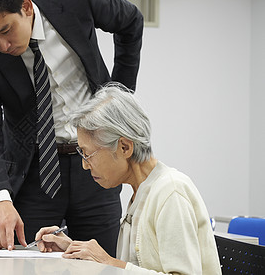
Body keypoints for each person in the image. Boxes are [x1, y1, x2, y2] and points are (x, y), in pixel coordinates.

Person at [0, 0, 143, 253]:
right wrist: (0, 201)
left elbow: (130, 20)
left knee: (103, 262)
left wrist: (119, 98)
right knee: (23, 263)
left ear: (26, 7)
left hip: (95, 164)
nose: (2, 46)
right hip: (34, 175)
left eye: (6, 31)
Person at [34, 83, 222, 274]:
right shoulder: (142, 194)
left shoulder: (171, 191)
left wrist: (109, 263)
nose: (84, 165)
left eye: (88, 154)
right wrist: (76, 249)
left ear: (124, 147)